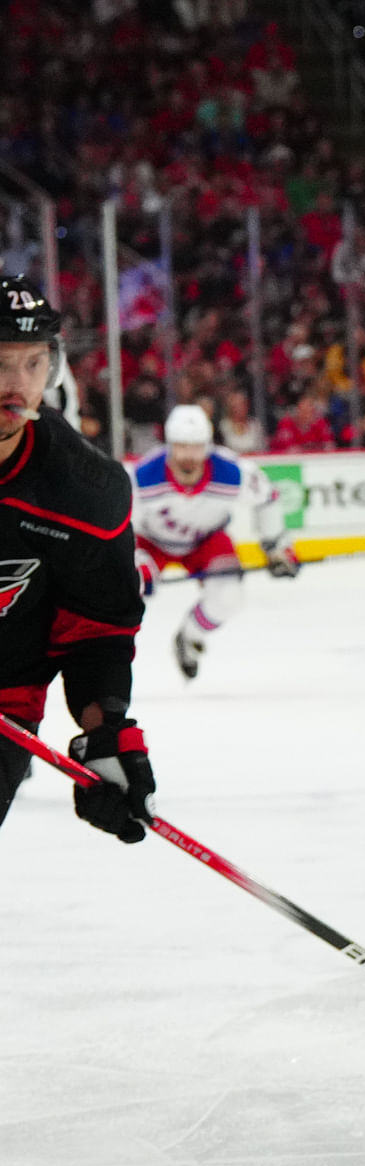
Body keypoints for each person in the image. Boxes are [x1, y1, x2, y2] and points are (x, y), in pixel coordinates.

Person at [0, 277, 154, 841]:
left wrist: (105, 733)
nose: (16, 386)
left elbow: (98, 628)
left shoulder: (83, 492)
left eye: (33, 364)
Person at [132, 404, 301, 680]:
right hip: (150, 542)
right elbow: (121, 527)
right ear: (170, 445)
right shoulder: (143, 477)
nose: (189, 455)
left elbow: (268, 499)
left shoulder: (233, 472)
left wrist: (276, 547)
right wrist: (136, 562)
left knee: (229, 596)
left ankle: (190, 637)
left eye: (196, 446)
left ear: (208, 446)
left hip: (206, 541)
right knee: (126, 594)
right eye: (182, 446)